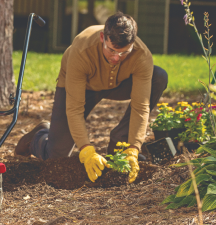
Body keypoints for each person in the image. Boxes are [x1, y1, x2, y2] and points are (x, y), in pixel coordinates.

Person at [15, 12, 168, 184]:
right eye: (111, 50)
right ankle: (40, 136)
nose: (116, 58)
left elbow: (141, 107)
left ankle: (120, 144)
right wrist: (86, 150)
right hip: (82, 87)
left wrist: (133, 148)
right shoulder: (81, 50)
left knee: (159, 76)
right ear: (103, 37)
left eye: (124, 52)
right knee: (57, 158)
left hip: (118, 84)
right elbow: (74, 109)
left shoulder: (141, 55)